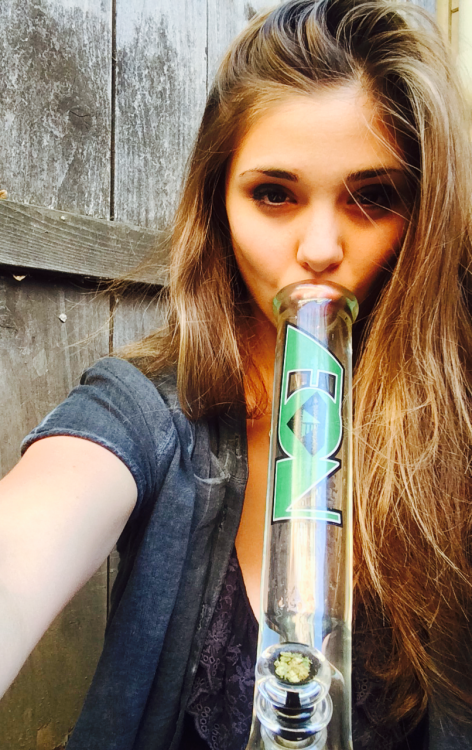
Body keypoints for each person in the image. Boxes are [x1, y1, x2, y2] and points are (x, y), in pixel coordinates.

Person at [0, 0, 471, 748]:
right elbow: (26, 544)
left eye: (373, 198)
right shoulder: (146, 412)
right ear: (219, 202)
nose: (320, 247)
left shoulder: (457, 419)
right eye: (274, 194)